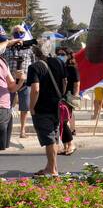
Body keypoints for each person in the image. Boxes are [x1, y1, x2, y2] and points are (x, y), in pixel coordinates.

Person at [21, 38, 71, 176]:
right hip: (56, 105)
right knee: (54, 137)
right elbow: (65, 81)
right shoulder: (59, 62)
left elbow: (35, 89)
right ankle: (50, 167)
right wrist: (60, 95)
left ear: (35, 51)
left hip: (42, 108)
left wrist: (31, 106)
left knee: (49, 139)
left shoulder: (35, 67)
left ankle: (52, 170)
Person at [3, 26, 34, 142]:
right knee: (7, 107)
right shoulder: (6, 48)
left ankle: (22, 130)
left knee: (24, 108)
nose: (18, 34)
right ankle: (6, 130)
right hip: (9, 82)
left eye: (21, 32)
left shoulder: (29, 49)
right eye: (16, 32)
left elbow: (33, 64)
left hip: (24, 82)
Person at [0, 48, 15, 151]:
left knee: (2, 146)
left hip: (4, 107)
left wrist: (20, 81)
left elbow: (11, 85)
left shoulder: (3, 61)